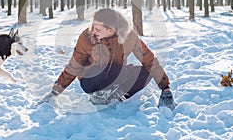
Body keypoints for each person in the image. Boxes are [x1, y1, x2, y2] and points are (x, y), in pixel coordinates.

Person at [42, 8, 176, 110]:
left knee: (144, 73)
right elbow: (74, 66)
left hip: (116, 75)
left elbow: (149, 60)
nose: (93, 31)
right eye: (93, 26)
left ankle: (116, 96)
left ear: (111, 30)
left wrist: (165, 88)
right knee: (116, 70)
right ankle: (99, 95)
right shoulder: (87, 37)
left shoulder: (129, 37)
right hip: (90, 80)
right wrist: (56, 91)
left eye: (98, 29)